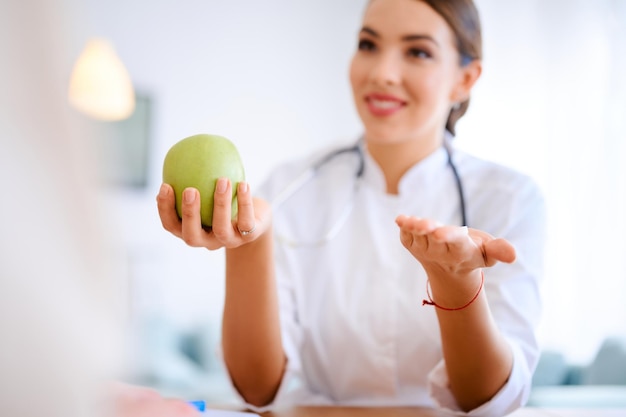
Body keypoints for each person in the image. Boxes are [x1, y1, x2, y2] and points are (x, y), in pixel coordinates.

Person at [156, 0, 545, 416]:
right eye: (368, 44)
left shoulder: (509, 198)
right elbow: (257, 391)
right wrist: (250, 244)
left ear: (465, 78)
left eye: (418, 51)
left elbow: (488, 399)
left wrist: (457, 286)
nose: (381, 73)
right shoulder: (287, 188)